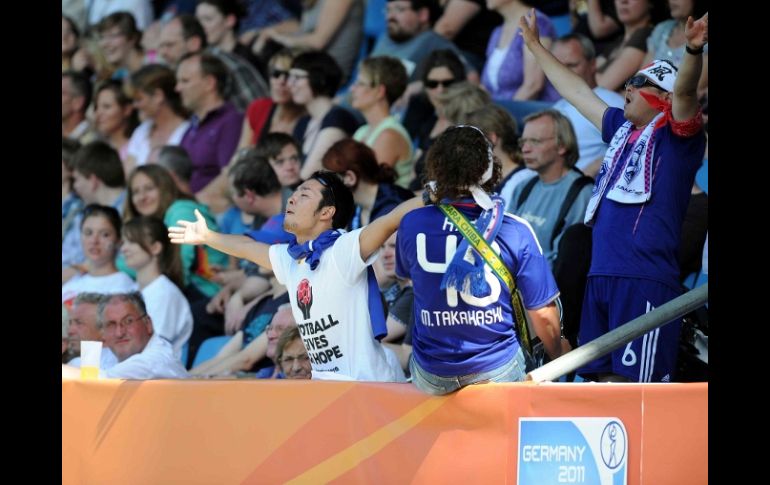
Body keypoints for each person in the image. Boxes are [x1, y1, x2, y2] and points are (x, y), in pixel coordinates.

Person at [519, 9, 708, 382]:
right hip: (601, 274)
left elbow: (686, 91)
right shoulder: (620, 127)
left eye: (640, 82)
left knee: (636, 389)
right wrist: (537, 48)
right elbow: (576, 92)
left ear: (663, 98)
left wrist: (691, 50)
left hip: (644, 278)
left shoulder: (678, 136)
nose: (628, 87)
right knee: (598, 383)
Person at [169, 171, 424, 381]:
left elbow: (391, 220)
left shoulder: (342, 250)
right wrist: (208, 237)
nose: (291, 199)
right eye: (295, 193)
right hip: (324, 388)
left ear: (326, 212)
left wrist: (437, 193)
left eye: (304, 194)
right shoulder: (292, 259)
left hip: (367, 387)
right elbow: (246, 247)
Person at [395, 125, 569, 395]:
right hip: (496, 370)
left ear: (435, 168)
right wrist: (559, 352)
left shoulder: (410, 223)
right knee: (544, 306)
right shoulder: (514, 229)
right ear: (490, 169)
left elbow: (408, 278)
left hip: (431, 373)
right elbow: (544, 315)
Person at [509, 109, 593, 268]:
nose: (525, 149)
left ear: (562, 145)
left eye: (535, 141)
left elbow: (567, 263)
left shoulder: (581, 193)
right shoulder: (523, 187)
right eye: (523, 141)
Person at [63, 292, 189, 379]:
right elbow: (81, 365)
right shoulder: (119, 354)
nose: (120, 332)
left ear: (148, 324)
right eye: (111, 324)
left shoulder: (154, 360)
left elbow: (100, 382)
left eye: (128, 321)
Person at [551, 33, 625, 176]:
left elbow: (628, 149)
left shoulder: (611, 103)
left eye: (572, 65)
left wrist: (578, 182)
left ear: (593, 64)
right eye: (558, 66)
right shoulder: (557, 106)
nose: (564, 72)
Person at [121, 216, 193, 358]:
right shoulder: (131, 290)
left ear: (155, 248)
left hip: (157, 376)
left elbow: (153, 351)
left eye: (132, 242)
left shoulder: (166, 294)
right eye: (123, 242)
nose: (123, 248)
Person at [350, 56, 414, 188]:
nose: (352, 89)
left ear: (379, 91)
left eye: (360, 84)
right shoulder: (361, 131)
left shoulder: (390, 135)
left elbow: (365, 184)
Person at [321, 139, 414, 230]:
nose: (324, 187)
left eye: (330, 180)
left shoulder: (394, 205)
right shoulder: (356, 206)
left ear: (350, 178)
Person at [481, 0, 559, 102]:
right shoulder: (497, 32)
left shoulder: (536, 24)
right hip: (497, 112)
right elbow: (484, 85)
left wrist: (503, 114)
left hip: (527, 112)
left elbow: (533, 86)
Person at [62, 205, 138, 307]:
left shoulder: (125, 288)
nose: (94, 241)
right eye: (88, 233)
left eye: (105, 234)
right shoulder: (71, 284)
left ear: (119, 241)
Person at [65, 292, 119, 369]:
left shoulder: (78, 365)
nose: (70, 331)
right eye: (70, 323)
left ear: (104, 330)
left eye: (79, 323)